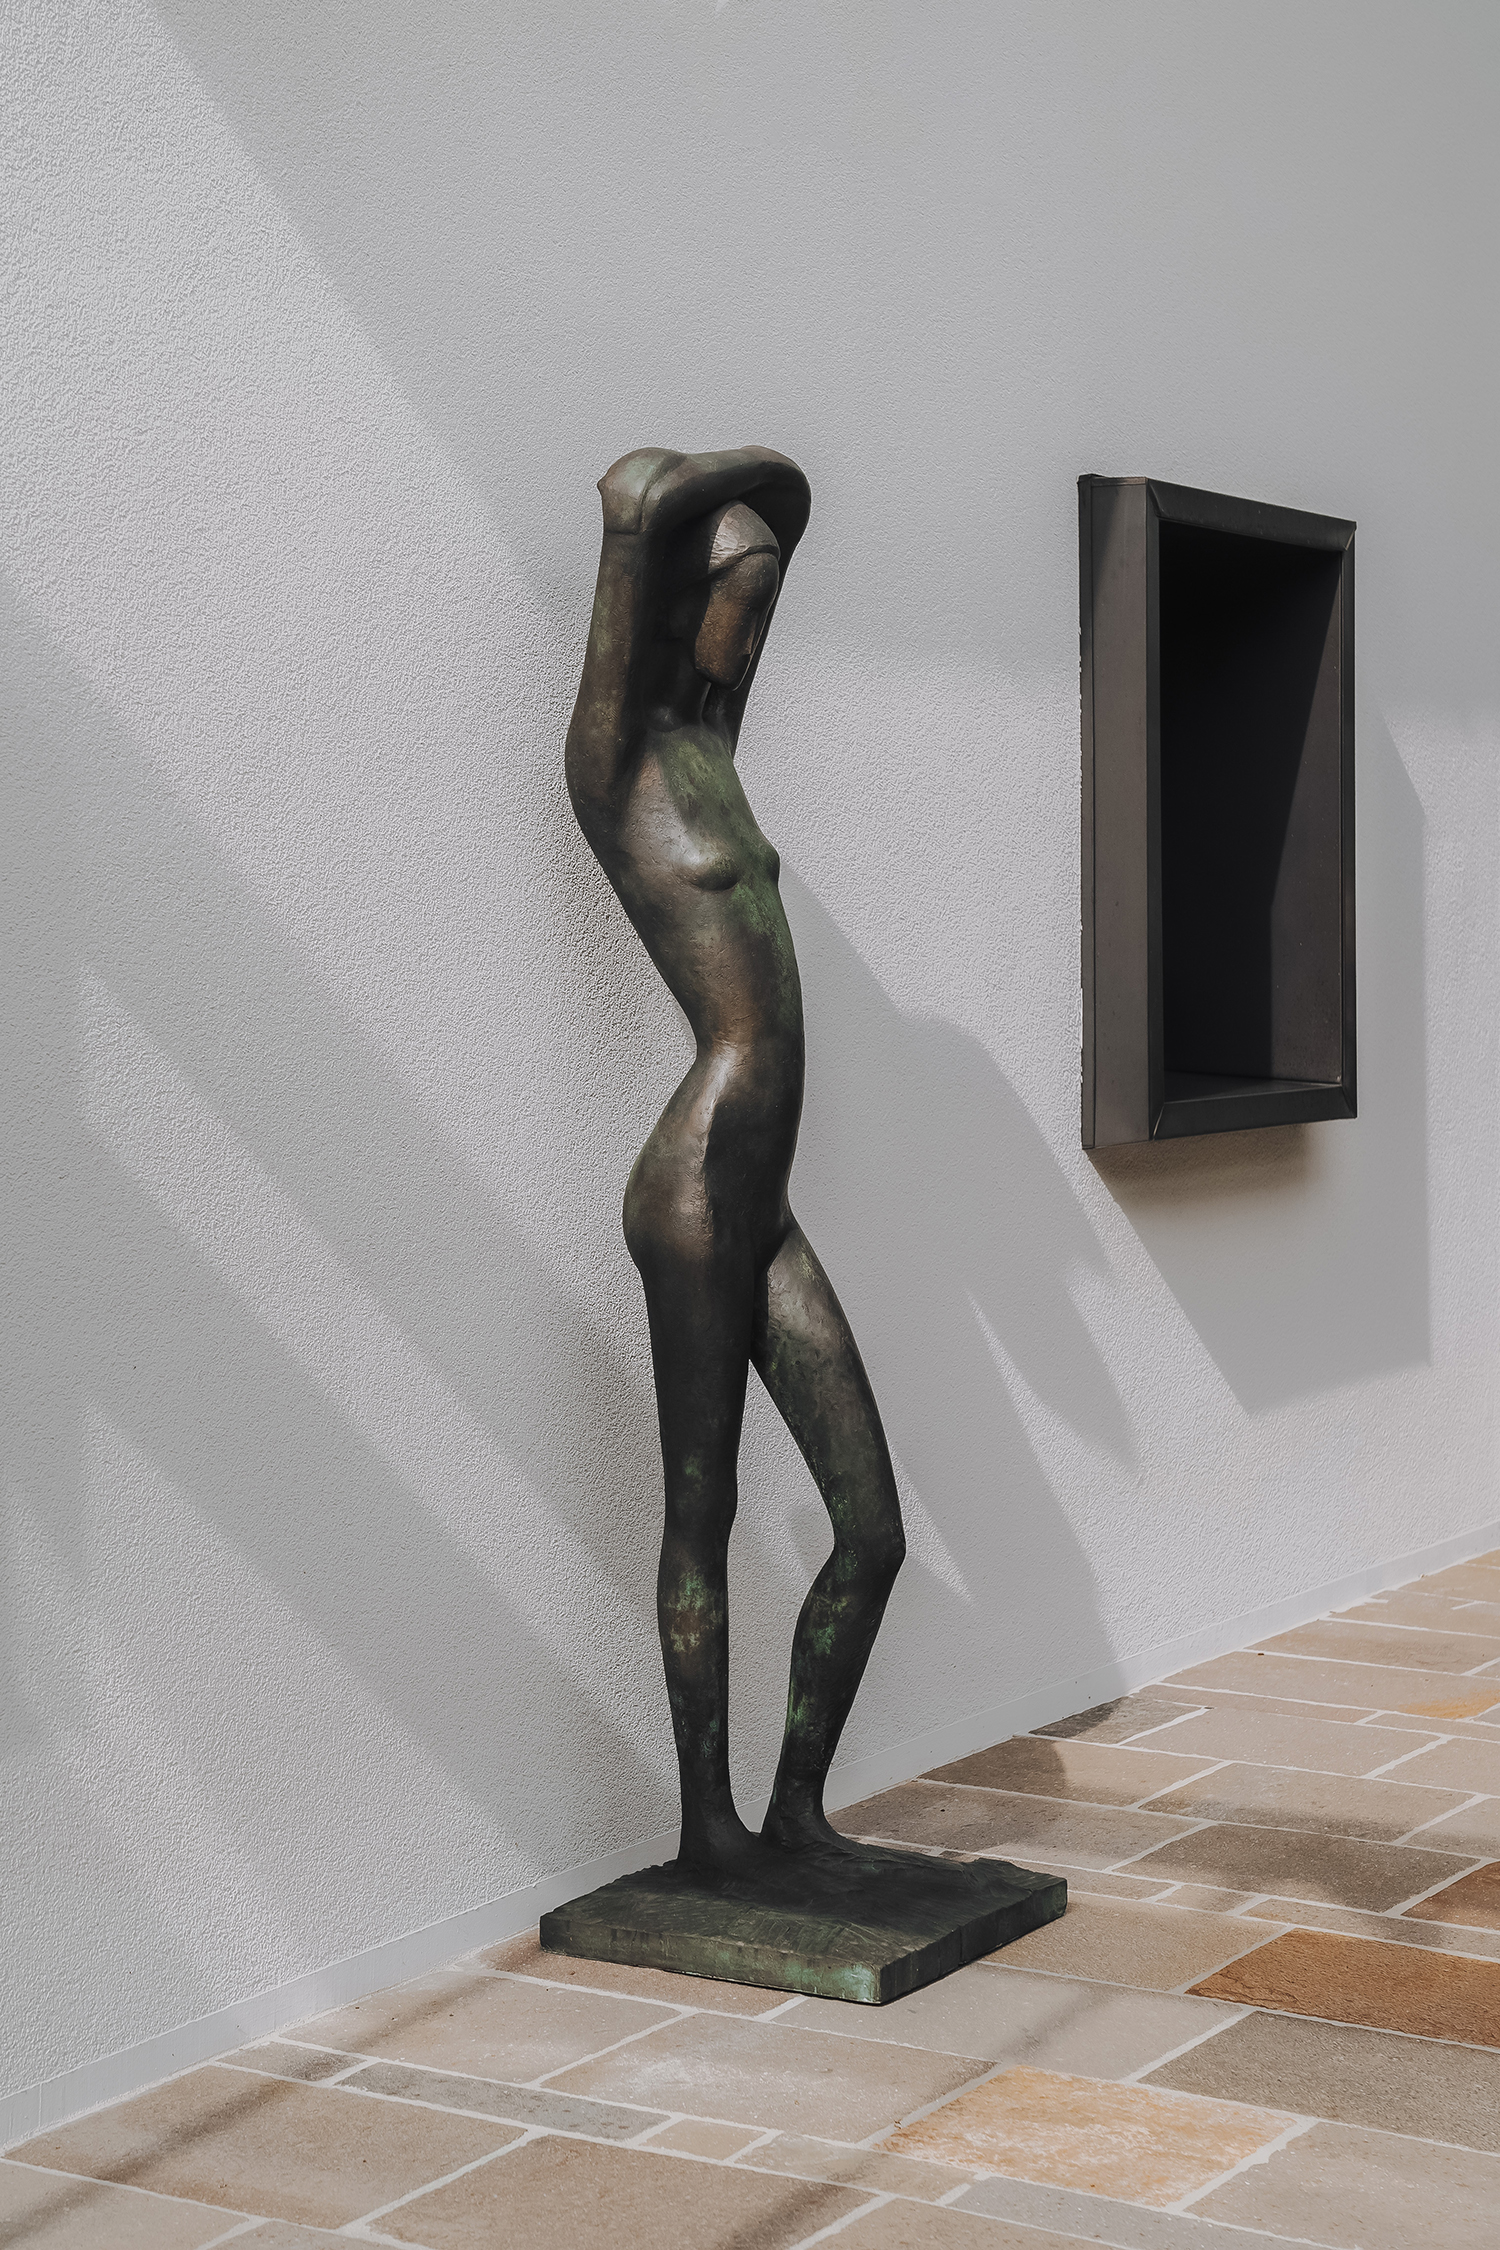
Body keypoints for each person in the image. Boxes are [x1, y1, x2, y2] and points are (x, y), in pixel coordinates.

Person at [567, 446, 907, 1877]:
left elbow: (783, 523)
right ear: (673, 597)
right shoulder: (615, 765)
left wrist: (764, 519)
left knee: (872, 1532)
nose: (755, 633)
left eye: (768, 609)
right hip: (699, 1183)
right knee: (698, 1517)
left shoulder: (714, 755)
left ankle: (795, 1814)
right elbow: (634, 507)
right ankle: (708, 1830)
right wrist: (695, 504)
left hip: (759, 1201)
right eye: (739, 605)